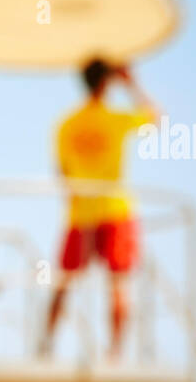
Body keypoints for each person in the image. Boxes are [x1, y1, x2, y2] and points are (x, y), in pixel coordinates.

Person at [42, 57, 162, 360]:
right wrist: (132, 83)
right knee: (118, 285)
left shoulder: (66, 124)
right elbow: (156, 118)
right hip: (115, 210)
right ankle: (115, 354)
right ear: (107, 82)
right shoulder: (114, 119)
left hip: (81, 213)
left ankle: (45, 347)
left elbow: (61, 172)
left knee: (63, 284)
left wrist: (74, 203)